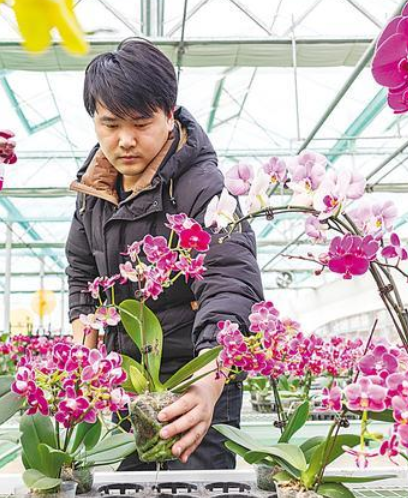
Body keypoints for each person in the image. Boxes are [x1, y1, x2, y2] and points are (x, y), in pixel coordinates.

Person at [65, 38, 264, 470]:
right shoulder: (93, 191)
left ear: (170, 115)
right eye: (110, 124)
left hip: (194, 377)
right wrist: (84, 327)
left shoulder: (204, 188)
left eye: (141, 123)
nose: (125, 142)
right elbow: (81, 270)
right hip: (128, 380)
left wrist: (209, 381)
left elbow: (230, 280)